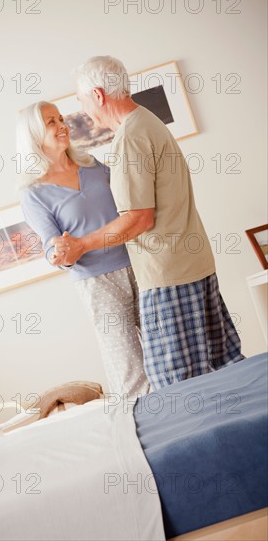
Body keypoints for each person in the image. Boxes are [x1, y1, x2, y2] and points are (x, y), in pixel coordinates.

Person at [51, 55, 245, 391]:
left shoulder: (131, 137)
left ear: (98, 95)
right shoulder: (149, 122)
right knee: (222, 371)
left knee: (178, 387)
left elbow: (138, 218)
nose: (82, 109)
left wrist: (81, 244)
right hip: (192, 264)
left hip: (167, 274)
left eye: (81, 100)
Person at [16, 100, 149, 399]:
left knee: (165, 349)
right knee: (128, 366)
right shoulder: (33, 192)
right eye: (51, 122)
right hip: (97, 282)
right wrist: (59, 254)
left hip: (141, 264)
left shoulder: (92, 164)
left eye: (61, 118)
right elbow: (52, 246)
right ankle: (143, 434)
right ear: (33, 134)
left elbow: (130, 204)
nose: (62, 125)